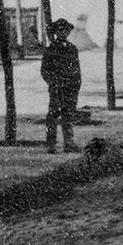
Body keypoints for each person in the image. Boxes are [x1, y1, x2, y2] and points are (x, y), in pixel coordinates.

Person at [41, 18, 83, 154]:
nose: (63, 33)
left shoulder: (72, 49)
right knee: (52, 116)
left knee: (68, 115)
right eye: (60, 30)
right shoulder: (51, 50)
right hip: (57, 88)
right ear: (55, 32)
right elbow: (45, 70)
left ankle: (69, 143)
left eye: (66, 30)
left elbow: (77, 69)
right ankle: (51, 144)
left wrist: (76, 85)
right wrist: (54, 83)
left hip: (70, 88)